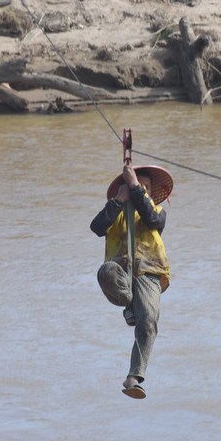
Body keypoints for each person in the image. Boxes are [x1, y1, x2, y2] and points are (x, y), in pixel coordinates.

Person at [90, 163, 173, 399]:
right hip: (121, 273)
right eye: (138, 186)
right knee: (106, 271)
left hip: (149, 271)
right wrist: (119, 200)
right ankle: (129, 304)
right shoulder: (115, 212)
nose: (142, 190)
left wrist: (135, 187)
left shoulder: (156, 212)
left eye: (146, 187)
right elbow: (97, 227)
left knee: (148, 321)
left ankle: (135, 377)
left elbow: (152, 219)